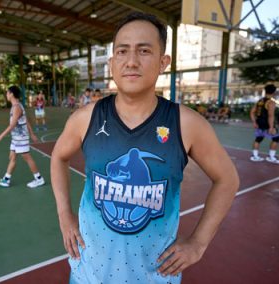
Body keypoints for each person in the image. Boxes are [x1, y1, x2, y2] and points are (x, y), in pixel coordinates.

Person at [50, 12, 239, 284]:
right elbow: (58, 157)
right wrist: (64, 216)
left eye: (144, 50)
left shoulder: (186, 124)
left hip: (154, 277)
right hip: (88, 273)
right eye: (122, 51)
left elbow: (228, 179)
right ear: (112, 61)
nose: (131, 61)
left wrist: (198, 243)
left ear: (163, 62)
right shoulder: (86, 118)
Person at [0, 86, 45, 188]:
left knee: (27, 157)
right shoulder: (16, 106)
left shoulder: (16, 108)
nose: (6, 95)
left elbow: (12, 125)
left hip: (21, 137)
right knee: (12, 157)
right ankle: (6, 180)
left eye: (7, 93)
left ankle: (39, 179)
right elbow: (26, 121)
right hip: (16, 138)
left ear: (11, 94)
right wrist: (32, 134)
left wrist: (0, 136)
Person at [250, 84, 279, 163]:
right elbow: (270, 115)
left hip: (259, 123)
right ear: (274, 92)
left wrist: (254, 122)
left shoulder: (260, 101)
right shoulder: (271, 102)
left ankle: (255, 156)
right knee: (276, 139)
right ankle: (271, 157)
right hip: (267, 124)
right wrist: (271, 127)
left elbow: (252, 112)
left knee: (258, 139)